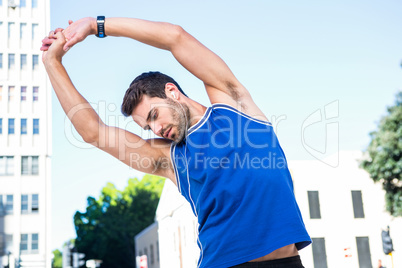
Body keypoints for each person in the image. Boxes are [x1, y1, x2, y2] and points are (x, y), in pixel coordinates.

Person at [41, 16, 311, 268]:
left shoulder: (234, 106)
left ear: (172, 91)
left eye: (154, 115)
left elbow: (176, 38)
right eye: (148, 127)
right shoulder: (169, 158)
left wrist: (96, 25)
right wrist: (52, 63)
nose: (156, 129)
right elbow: (94, 132)